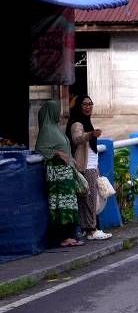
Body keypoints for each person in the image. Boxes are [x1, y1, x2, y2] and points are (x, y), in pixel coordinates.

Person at [36, 101, 84, 248]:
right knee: (61, 205)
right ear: (51, 112)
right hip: (57, 176)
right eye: (57, 110)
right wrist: (57, 153)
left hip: (65, 174)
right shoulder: (47, 130)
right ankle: (64, 238)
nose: (60, 113)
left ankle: (69, 235)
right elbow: (40, 148)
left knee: (69, 203)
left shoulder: (55, 128)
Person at [66, 95, 112, 241]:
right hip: (85, 167)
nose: (88, 107)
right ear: (79, 106)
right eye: (85, 104)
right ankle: (92, 230)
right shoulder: (77, 123)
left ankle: (88, 229)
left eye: (90, 104)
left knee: (87, 199)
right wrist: (91, 134)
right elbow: (77, 139)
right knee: (90, 200)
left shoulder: (86, 122)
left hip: (91, 166)